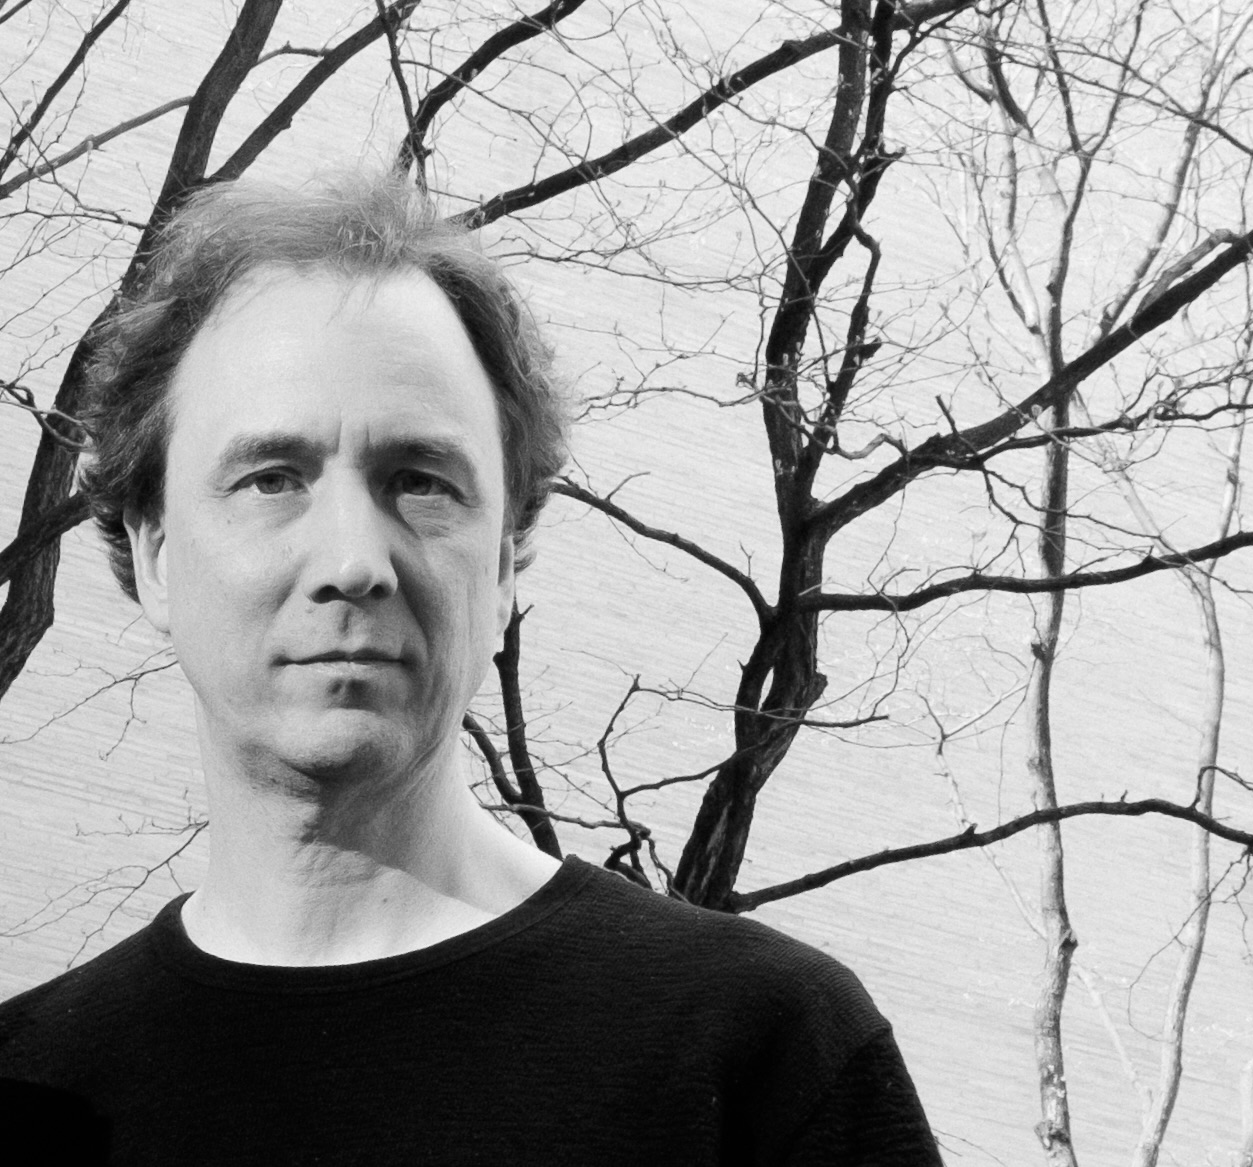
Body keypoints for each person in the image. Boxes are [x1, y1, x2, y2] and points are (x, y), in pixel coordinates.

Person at [0, 172, 940, 1166]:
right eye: (272, 479)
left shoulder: (759, 1052)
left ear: (500, 567)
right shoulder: (28, 1091)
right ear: (153, 553)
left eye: (419, 481)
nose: (354, 561)